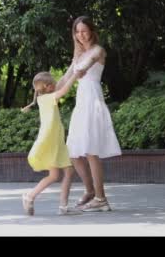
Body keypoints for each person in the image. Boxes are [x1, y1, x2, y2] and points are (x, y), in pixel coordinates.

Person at [60, 16, 122, 212]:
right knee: (73, 153)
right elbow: (65, 78)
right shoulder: (77, 55)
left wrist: (83, 68)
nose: (81, 35)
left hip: (93, 100)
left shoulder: (98, 50)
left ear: (92, 31)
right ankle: (90, 191)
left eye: (84, 30)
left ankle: (101, 198)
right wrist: (46, 89)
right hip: (81, 104)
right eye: (77, 32)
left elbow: (90, 63)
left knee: (91, 151)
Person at [20, 71, 82, 216]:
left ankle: (30, 196)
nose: (55, 84)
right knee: (67, 171)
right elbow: (64, 89)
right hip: (51, 141)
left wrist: (73, 66)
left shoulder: (45, 96)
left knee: (55, 175)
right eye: (53, 83)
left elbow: (62, 81)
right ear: (47, 87)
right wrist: (76, 74)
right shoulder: (47, 98)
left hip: (55, 141)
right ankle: (63, 207)